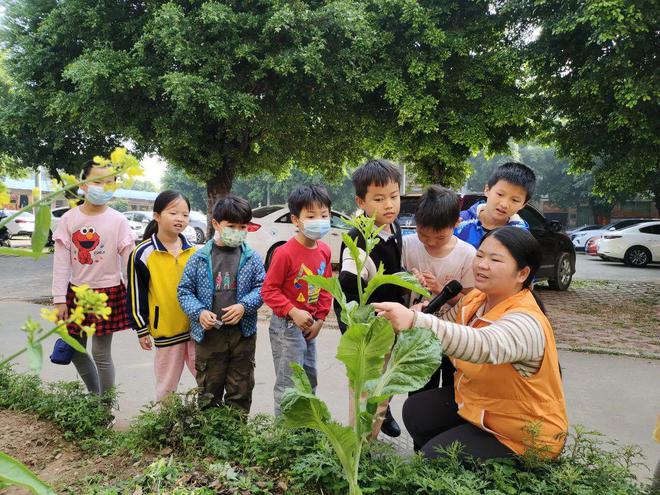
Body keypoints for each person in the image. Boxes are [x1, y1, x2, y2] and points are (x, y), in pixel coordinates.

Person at [374, 227, 568, 460]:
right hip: (482, 410)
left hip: (520, 434)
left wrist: (416, 321)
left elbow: (481, 344)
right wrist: (423, 315)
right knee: (417, 412)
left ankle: (515, 470)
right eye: (480, 255)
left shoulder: (527, 321)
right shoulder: (476, 299)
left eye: (495, 259)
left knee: (434, 458)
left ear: (522, 273)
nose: (482, 265)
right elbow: (444, 328)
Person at [52, 160, 135, 395]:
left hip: (107, 293)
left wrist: (134, 297)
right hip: (75, 293)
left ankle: (104, 408)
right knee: (75, 349)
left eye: (110, 182)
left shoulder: (118, 220)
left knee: (101, 353)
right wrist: (59, 299)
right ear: (84, 184)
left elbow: (128, 263)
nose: (104, 187)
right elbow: (61, 263)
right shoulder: (69, 219)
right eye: (97, 181)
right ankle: (95, 396)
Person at [336, 159, 406, 438]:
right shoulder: (359, 240)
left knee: (381, 392)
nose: (389, 205)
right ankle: (359, 449)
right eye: (379, 199)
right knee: (365, 395)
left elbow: (392, 270)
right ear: (361, 201)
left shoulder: (394, 228)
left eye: (394, 196)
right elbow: (348, 289)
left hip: (389, 325)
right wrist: (357, 334)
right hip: (368, 333)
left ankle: (370, 440)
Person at [178, 195, 265, 412]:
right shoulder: (199, 258)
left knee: (241, 388)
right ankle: (211, 438)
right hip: (209, 336)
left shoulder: (252, 258)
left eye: (242, 226)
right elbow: (184, 291)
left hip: (242, 335)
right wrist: (199, 312)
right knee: (209, 390)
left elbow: (263, 288)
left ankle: (235, 436)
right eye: (231, 226)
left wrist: (244, 306)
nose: (237, 231)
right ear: (216, 224)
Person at [261, 185, 333, 416]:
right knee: (288, 384)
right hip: (287, 327)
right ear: (296, 219)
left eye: (324, 215)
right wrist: (293, 311)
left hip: (310, 325)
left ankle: (305, 429)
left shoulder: (324, 250)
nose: (319, 220)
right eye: (311, 216)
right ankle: (285, 437)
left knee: (309, 379)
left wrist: (321, 319)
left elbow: (326, 288)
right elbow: (269, 290)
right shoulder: (284, 253)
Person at [402, 186, 475, 394]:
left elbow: (470, 303)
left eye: (440, 237)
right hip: (419, 335)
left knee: (452, 389)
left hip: (453, 336)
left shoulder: (467, 254)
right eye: (423, 235)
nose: (431, 242)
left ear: (457, 224)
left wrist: (440, 289)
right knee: (420, 390)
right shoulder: (407, 246)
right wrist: (406, 280)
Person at [127, 190, 197, 401]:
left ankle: (209, 425)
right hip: (167, 333)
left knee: (207, 380)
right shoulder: (143, 253)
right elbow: (135, 293)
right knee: (166, 386)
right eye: (173, 213)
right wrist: (141, 328)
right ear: (157, 216)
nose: (180, 219)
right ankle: (165, 430)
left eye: (185, 215)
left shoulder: (194, 252)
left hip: (196, 332)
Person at [455, 162, 535, 249]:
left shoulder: (521, 236)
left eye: (515, 200)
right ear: (487, 190)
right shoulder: (458, 221)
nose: (504, 204)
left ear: (523, 205)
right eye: (500, 194)